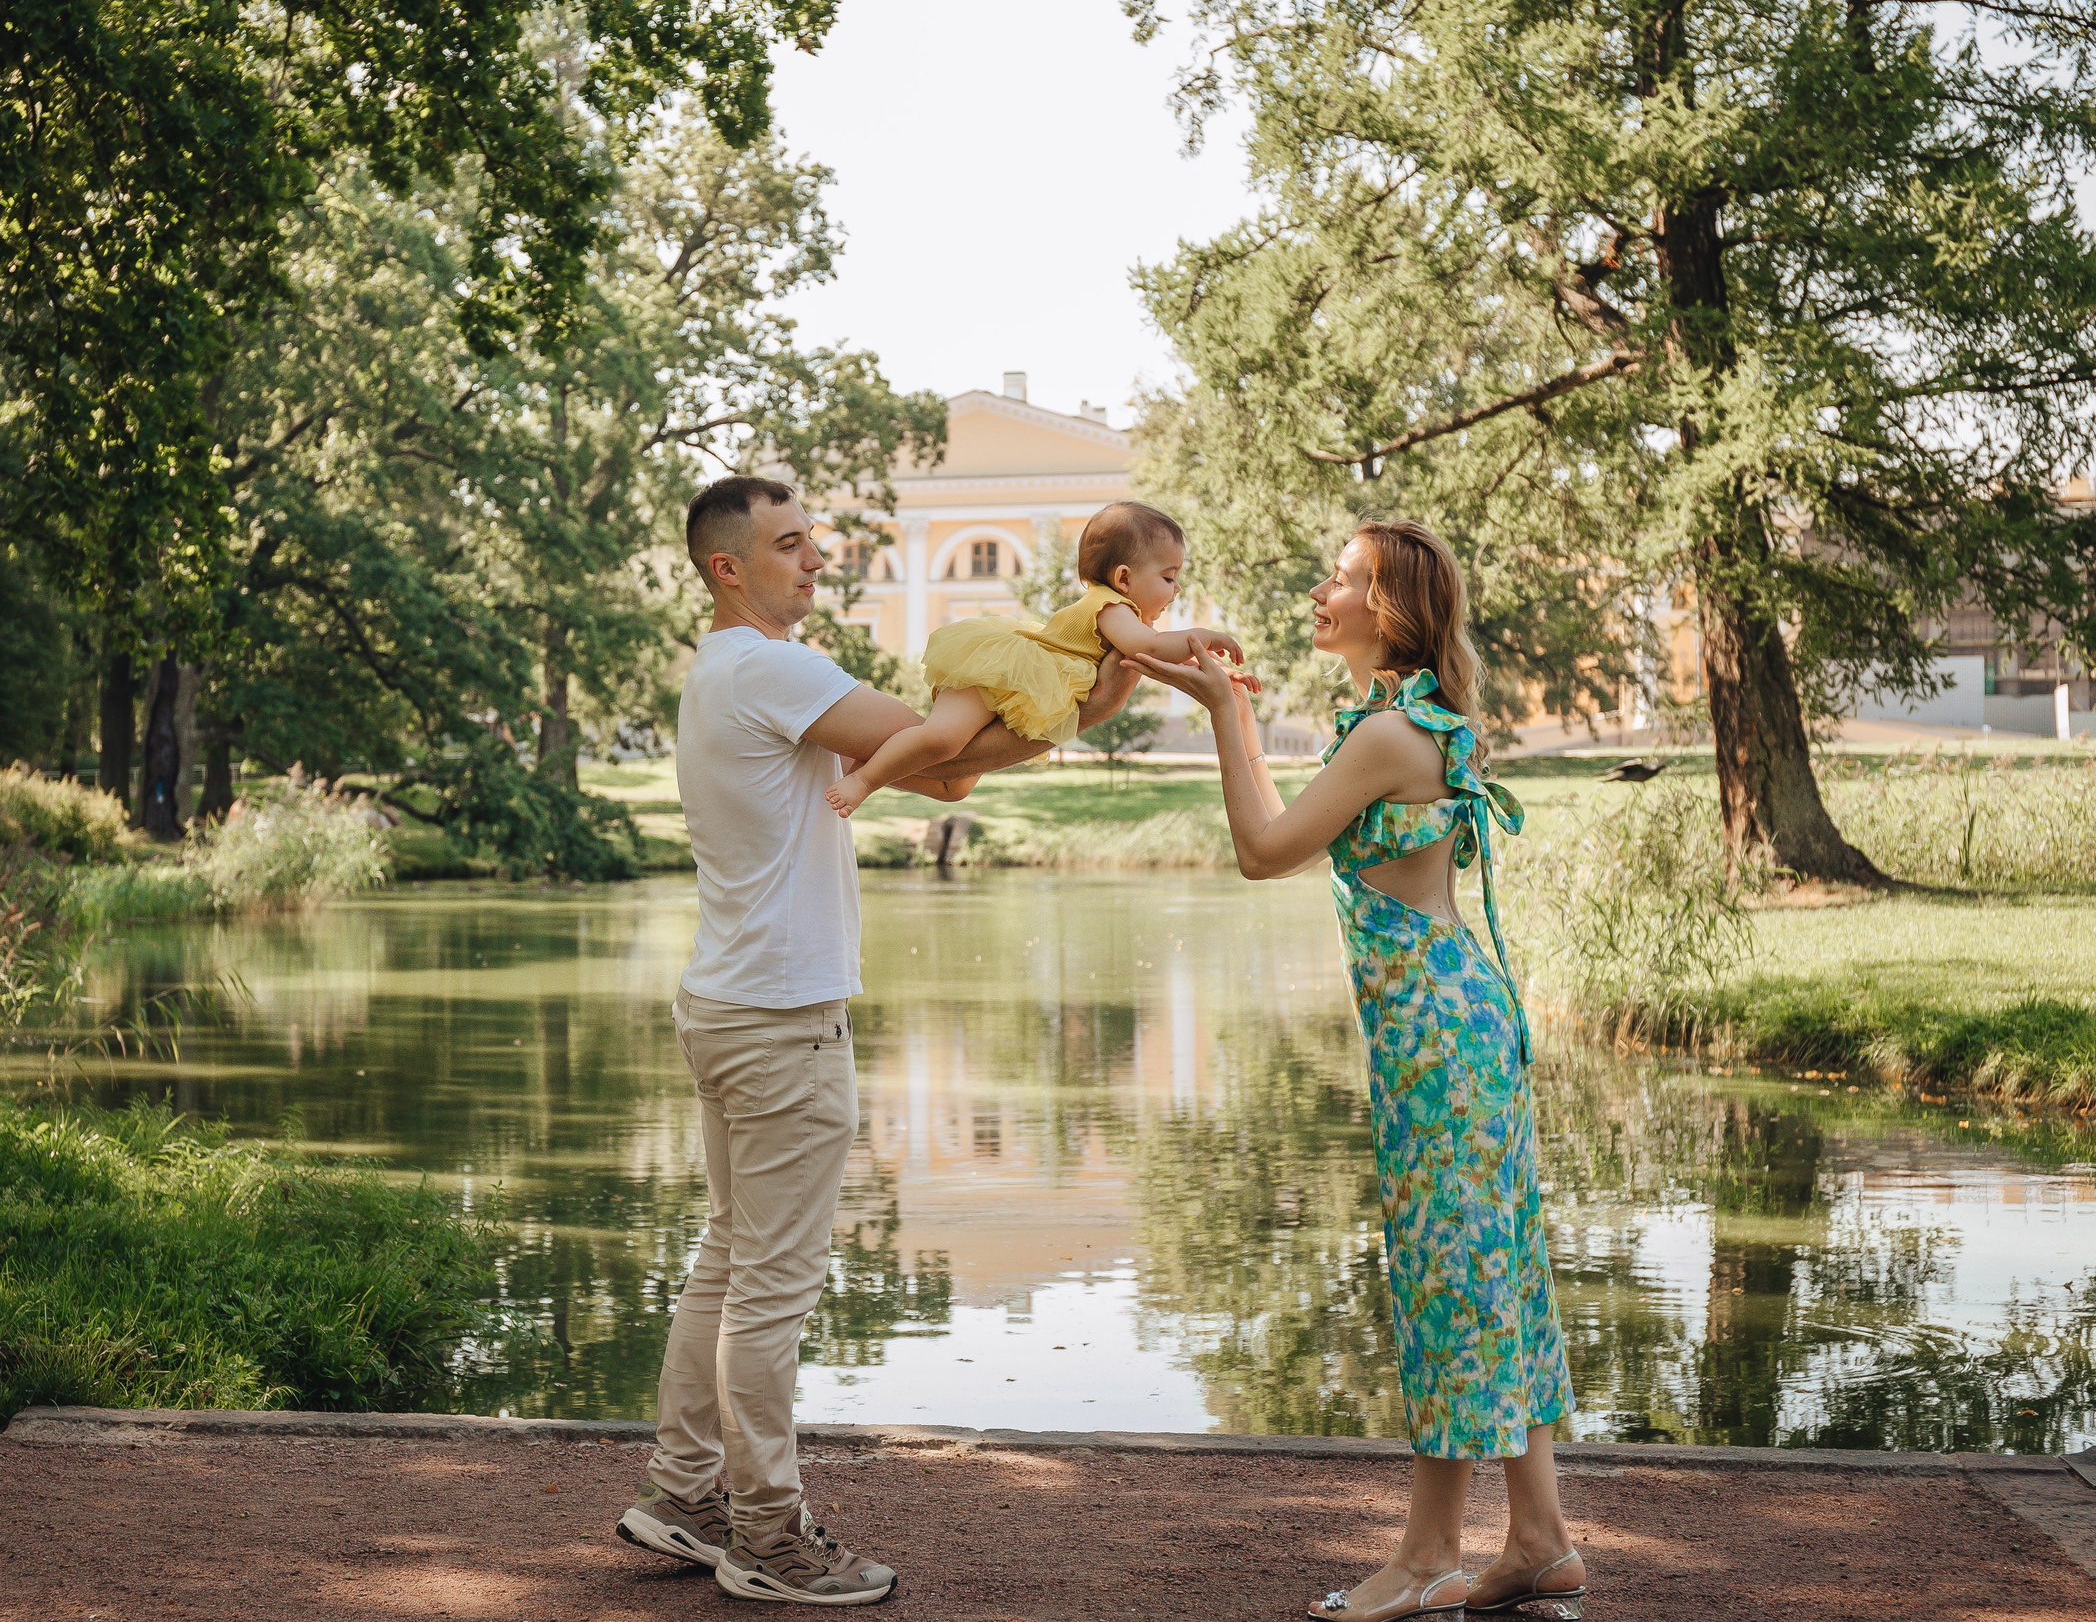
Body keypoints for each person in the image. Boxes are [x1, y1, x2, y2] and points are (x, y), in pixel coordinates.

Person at [613, 475, 1139, 1607]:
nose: (815, 561)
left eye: (813, 542)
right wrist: (1076, 711)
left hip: (727, 1003)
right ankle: (763, 1533)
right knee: (772, 1286)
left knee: (728, 1257)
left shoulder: (720, 672)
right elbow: (942, 760)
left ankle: (679, 1492)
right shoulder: (774, 667)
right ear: (727, 569)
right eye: (790, 546)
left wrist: (1069, 716)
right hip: (783, 1018)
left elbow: (925, 761)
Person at [1131, 521, 1584, 1622]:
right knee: (1495, 1277)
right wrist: (1156, 657)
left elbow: (1263, 847)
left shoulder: (1389, 733)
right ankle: (1539, 1540)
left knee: (1448, 1287)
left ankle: (1430, 1552)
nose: (1319, 589)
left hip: (1439, 1038)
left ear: (1387, 609)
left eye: (1340, 578)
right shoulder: (1405, 721)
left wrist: (1227, 712)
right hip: (1456, 1030)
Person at [822, 501, 1243, 816]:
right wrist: (1203, 637)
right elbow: (1150, 650)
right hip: (1000, 672)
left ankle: (858, 760)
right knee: (943, 739)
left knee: (957, 786)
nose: (1177, 590)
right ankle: (864, 780)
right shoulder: (1113, 608)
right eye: (1169, 578)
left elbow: (1158, 660)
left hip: (1023, 688)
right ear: (1124, 578)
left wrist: (1217, 672)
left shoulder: (1131, 622)